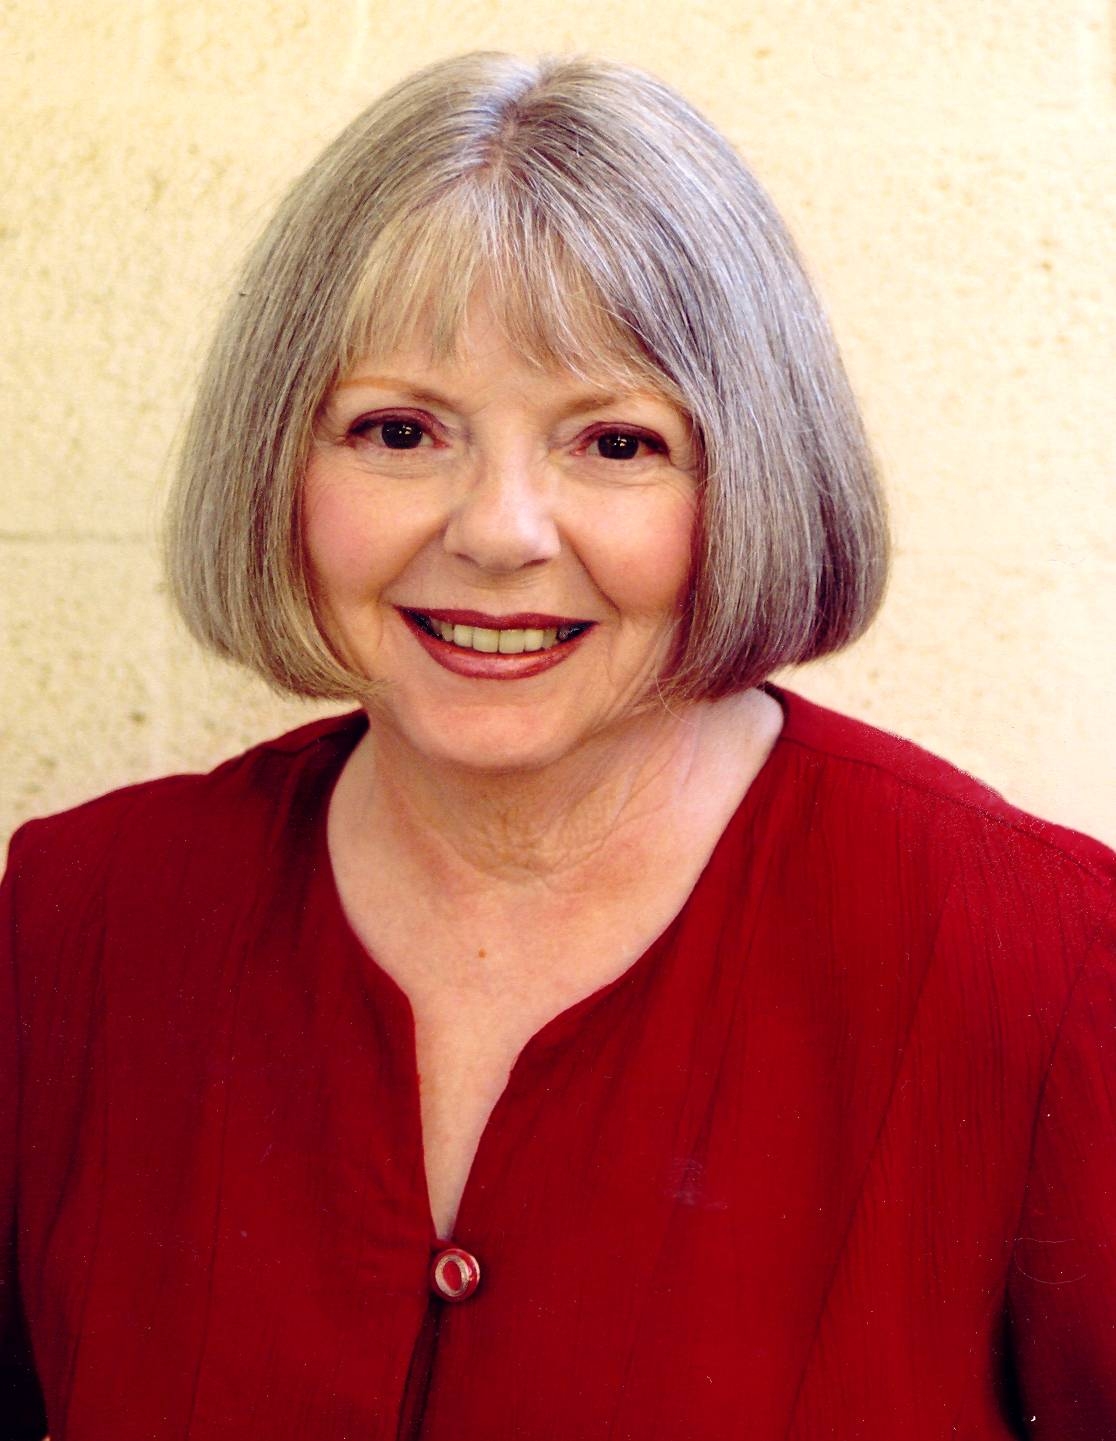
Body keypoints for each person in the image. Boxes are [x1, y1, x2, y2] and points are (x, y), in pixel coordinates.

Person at [2, 50, 1112, 1441]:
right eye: (399, 430)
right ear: (280, 463)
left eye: (616, 444)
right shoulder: (76, 922)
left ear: (753, 478)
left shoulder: (1037, 962)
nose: (498, 530)